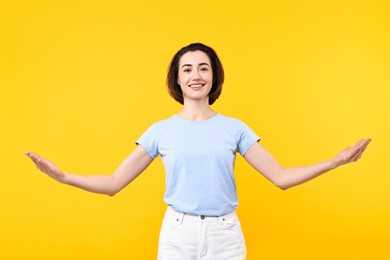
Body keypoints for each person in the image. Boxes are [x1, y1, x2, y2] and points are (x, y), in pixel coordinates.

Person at [25, 43, 371, 260]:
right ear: (177, 80)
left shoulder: (235, 129)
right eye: (186, 69)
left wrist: (335, 161)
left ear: (213, 77)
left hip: (225, 236)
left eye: (203, 68)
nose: (196, 75)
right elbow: (115, 182)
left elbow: (280, 177)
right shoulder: (160, 131)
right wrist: (63, 177)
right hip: (177, 236)